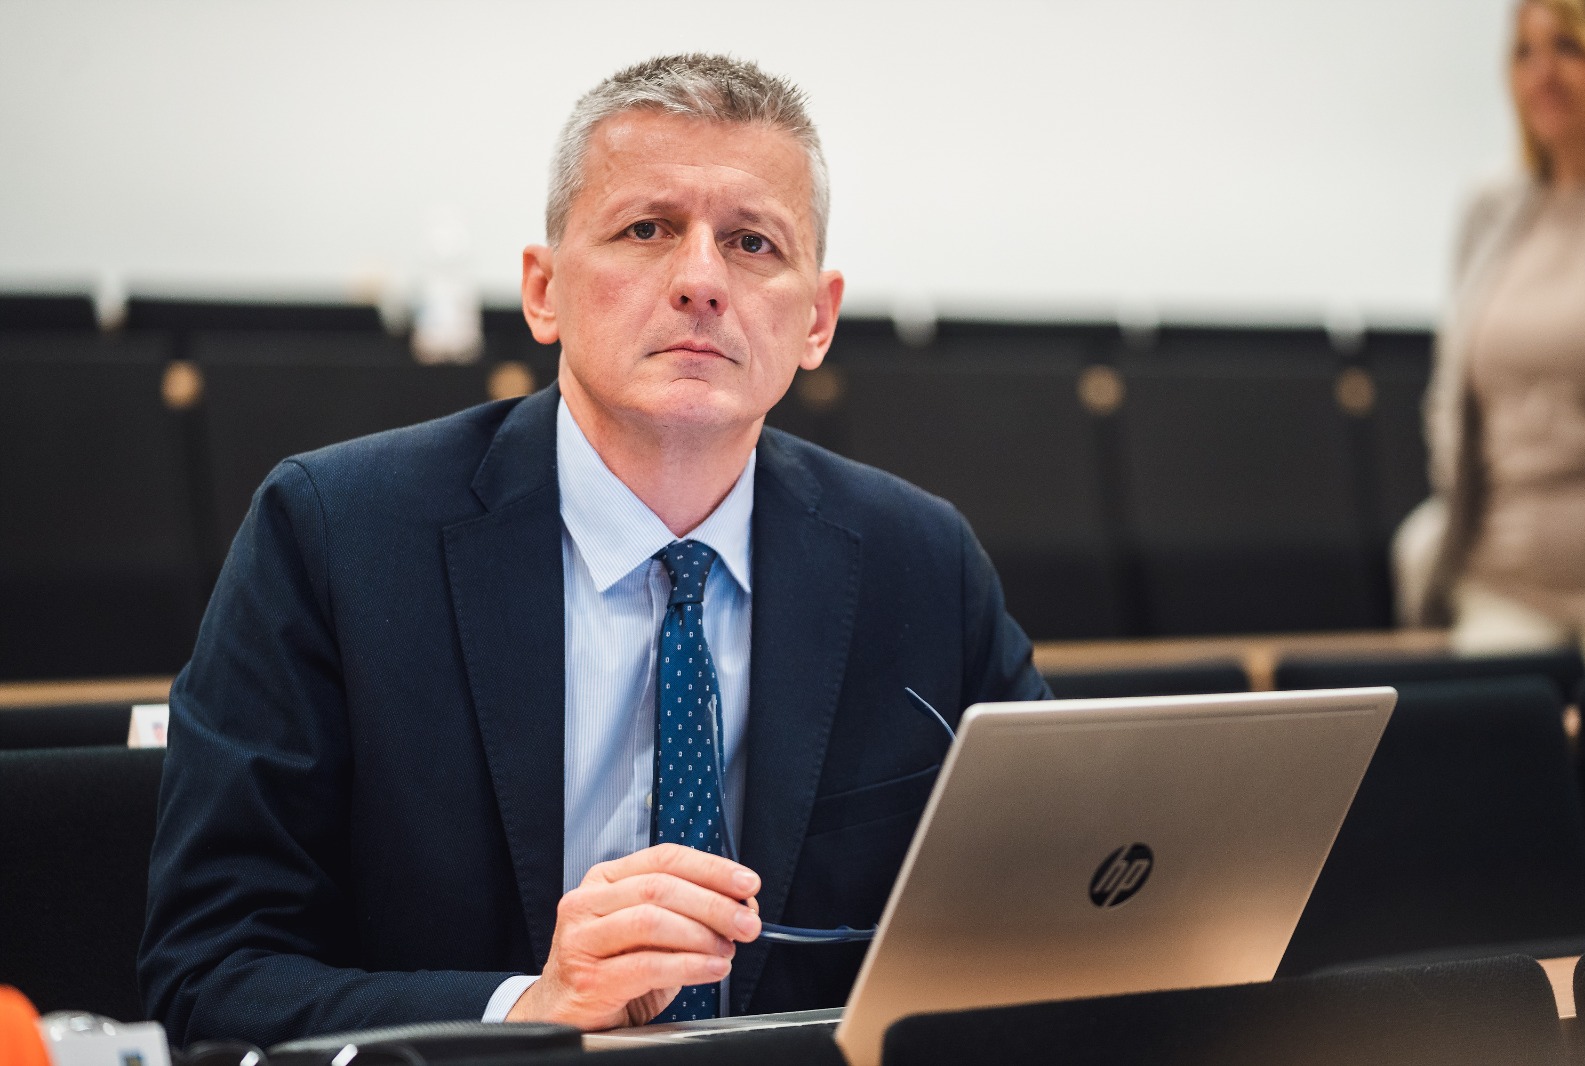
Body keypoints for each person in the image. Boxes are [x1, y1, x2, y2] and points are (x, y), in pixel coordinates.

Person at [138, 54, 1048, 1047]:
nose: (701, 281)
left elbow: (1053, 911)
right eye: (646, 229)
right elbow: (211, 970)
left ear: (818, 320)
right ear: (543, 292)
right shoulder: (332, 535)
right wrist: (526, 1014)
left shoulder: (923, 563)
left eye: (751, 242)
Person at [1393, 0, 1585, 669]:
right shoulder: (1492, 206)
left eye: (1567, 48)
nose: (1543, 75)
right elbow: (1453, 392)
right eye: (1524, 53)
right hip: (1504, 577)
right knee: (1491, 717)